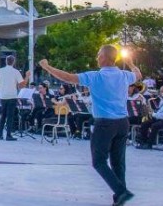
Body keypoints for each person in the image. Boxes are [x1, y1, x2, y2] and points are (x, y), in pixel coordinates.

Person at [38, 45, 141, 206]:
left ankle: (121, 192)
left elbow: (68, 77)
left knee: (99, 161)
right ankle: (119, 199)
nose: (96, 57)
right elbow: (138, 74)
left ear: (105, 57)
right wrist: (130, 63)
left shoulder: (95, 77)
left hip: (105, 123)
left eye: (98, 55)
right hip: (122, 123)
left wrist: (47, 67)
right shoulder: (124, 75)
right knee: (118, 162)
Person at [0, 55, 29, 140]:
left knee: (3, 115)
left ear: (6, 61)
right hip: (12, 96)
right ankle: (8, 135)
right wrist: (27, 76)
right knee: (10, 116)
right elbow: (22, 85)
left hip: (3, 95)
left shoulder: (0, 71)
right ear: (14, 62)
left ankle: (0, 133)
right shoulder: (16, 72)